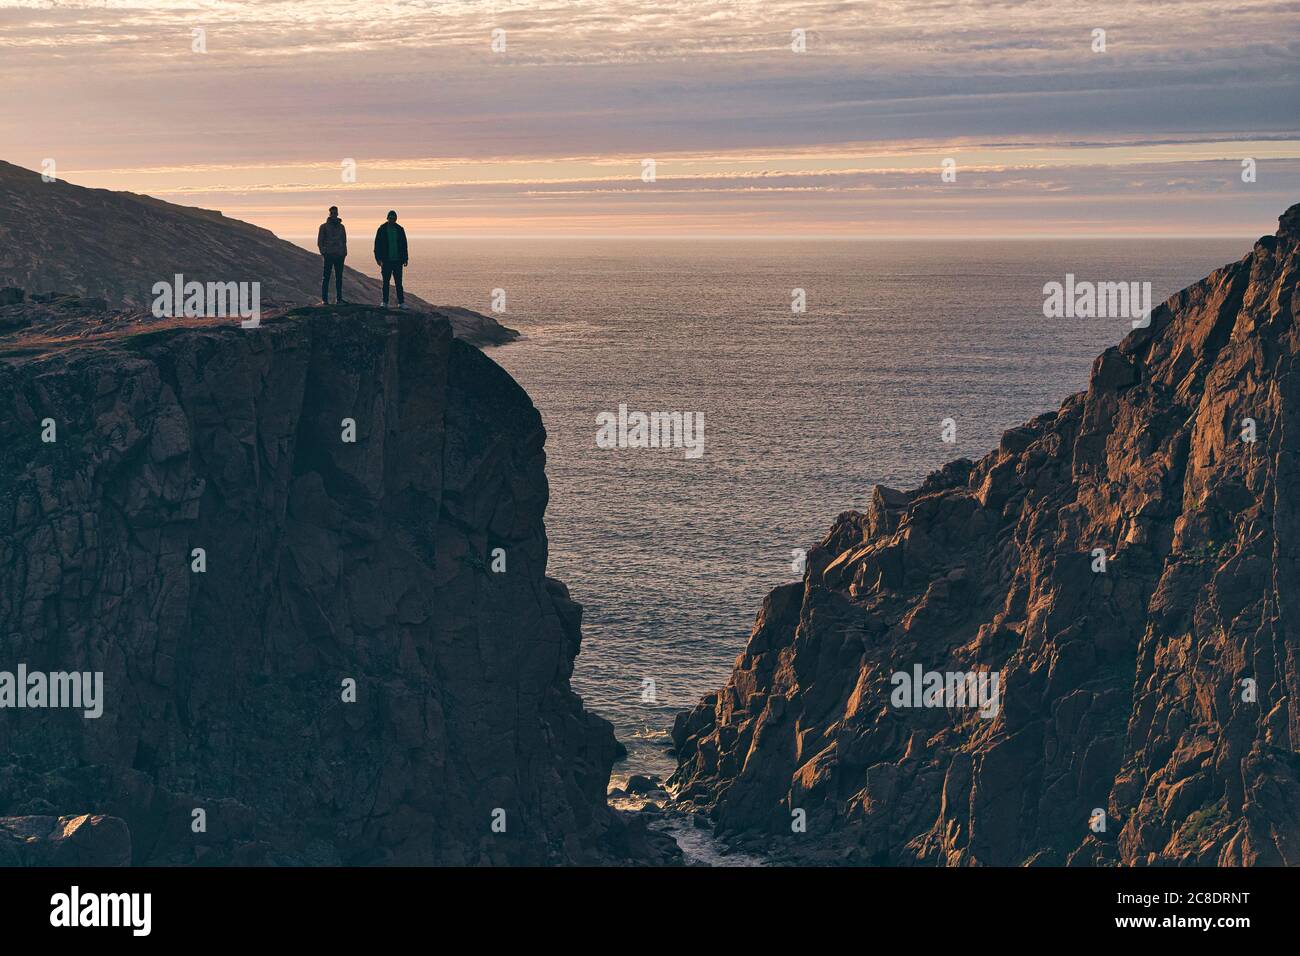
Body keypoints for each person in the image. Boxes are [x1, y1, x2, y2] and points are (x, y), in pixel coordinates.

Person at [373, 210, 408, 309]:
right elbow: (377, 245)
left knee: (398, 283)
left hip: (397, 260)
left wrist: (405, 258)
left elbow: (404, 245)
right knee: (385, 282)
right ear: (387, 218)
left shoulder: (400, 229)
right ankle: (385, 302)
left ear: (396, 219)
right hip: (386, 260)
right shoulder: (382, 229)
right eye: (391, 218)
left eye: (394, 218)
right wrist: (378, 258)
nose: (392, 220)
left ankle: (401, 302)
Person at [316, 206, 348, 304]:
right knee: (326, 277)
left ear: (337, 213)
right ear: (330, 214)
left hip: (339, 255)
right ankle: (324, 300)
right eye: (332, 213)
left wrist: (344, 252)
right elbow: (320, 241)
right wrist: (324, 252)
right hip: (329, 255)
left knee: (339, 278)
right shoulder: (324, 227)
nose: (334, 214)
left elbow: (344, 240)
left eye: (335, 213)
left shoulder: (342, 227)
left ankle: (339, 299)